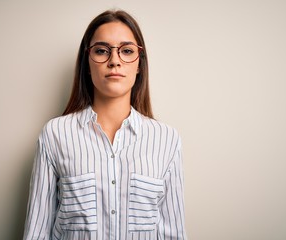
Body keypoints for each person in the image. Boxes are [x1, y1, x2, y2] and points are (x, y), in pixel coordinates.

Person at [23, 9, 187, 240]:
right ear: (86, 63)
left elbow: (173, 234)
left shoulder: (167, 140)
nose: (114, 61)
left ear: (139, 64)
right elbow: (37, 233)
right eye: (101, 51)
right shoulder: (55, 135)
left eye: (127, 51)